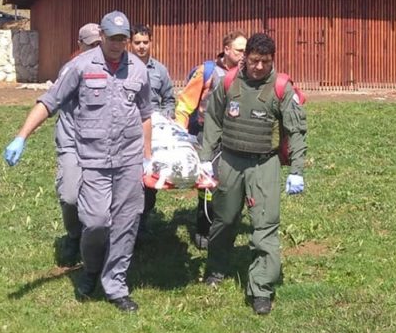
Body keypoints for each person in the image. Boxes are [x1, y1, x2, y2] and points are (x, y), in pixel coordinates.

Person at [3, 10, 152, 313]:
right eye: (113, 38)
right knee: (96, 222)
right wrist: (21, 136)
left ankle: (116, 286)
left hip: (128, 159)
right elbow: (49, 101)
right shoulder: (80, 66)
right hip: (93, 159)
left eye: (123, 39)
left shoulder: (138, 69)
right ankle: (91, 268)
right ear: (102, 35)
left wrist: (147, 157)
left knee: (125, 224)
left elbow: (146, 114)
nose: (118, 44)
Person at [199, 32, 307, 315]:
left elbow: (296, 130)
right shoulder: (228, 82)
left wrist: (297, 170)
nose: (259, 67)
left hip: (264, 163)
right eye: (254, 60)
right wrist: (205, 157)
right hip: (230, 160)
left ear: (273, 60)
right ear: (245, 57)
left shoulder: (281, 88)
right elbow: (213, 118)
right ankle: (216, 267)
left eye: (266, 62)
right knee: (224, 219)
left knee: (265, 225)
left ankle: (261, 287)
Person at [174, 30, 247, 249]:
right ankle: (204, 228)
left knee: (231, 184)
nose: (244, 55)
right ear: (226, 49)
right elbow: (185, 104)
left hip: (236, 137)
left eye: (246, 51)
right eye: (239, 50)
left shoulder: (248, 73)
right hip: (206, 137)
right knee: (207, 185)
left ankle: (225, 225)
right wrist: (180, 135)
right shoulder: (207, 72)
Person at [52, 22, 101, 266]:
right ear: (79, 45)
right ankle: (74, 235)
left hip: (100, 146)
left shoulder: (111, 70)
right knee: (70, 196)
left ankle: (98, 244)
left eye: (99, 44)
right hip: (72, 141)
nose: (95, 49)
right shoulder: (71, 69)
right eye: (90, 45)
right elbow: (51, 101)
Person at [129, 23, 176, 237]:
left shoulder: (160, 70)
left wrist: (165, 116)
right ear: (130, 44)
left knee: (149, 175)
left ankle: (143, 217)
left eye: (145, 42)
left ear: (151, 43)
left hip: (155, 132)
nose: (141, 46)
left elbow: (169, 99)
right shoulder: (124, 68)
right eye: (137, 42)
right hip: (129, 129)